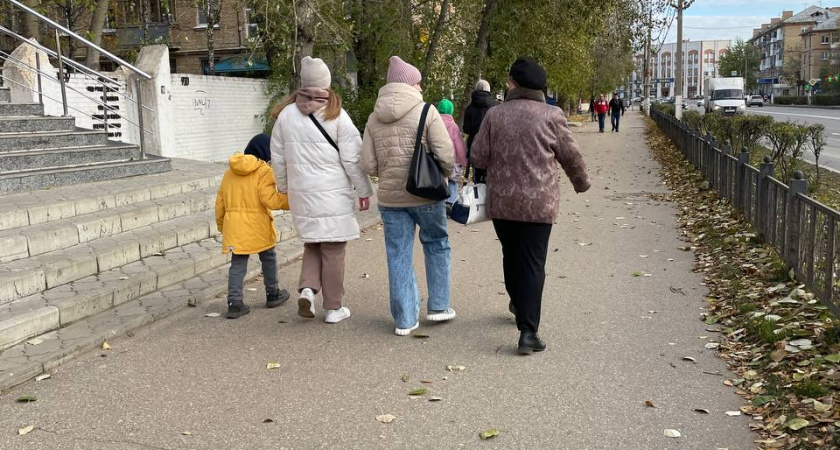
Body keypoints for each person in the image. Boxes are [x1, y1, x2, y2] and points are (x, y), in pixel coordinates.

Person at [471, 57, 590, 355]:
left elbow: (478, 157)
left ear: (512, 83)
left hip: (503, 203)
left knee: (511, 255)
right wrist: (581, 183)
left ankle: (516, 301)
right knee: (534, 262)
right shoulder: (553, 115)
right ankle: (528, 331)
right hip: (540, 204)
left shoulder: (494, 116)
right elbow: (571, 156)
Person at [270, 56, 373, 324]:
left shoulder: (285, 116)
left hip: (302, 193)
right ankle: (334, 307)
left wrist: (284, 187)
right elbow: (352, 159)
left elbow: (278, 158)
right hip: (332, 194)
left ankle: (307, 289)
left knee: (313, 244)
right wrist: (364, 190)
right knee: (334, 249)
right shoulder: (336, 113)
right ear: (326, 83)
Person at [361, 56, 456, 336]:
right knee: (437, 243)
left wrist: (386, 172)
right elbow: (446, 153)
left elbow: (367, 163)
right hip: (426, 194)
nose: (421, 88)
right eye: (419, 83)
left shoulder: (373, 117)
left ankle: (405, 319)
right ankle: (438, 306)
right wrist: (445, 174)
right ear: (411, 83)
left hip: (391, 200)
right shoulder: (427, 112)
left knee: (398, 253)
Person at [215, 134, 292, 319]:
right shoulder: (264, 171)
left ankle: (234, 303)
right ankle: (272, 294)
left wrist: (222, 226)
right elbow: (270, 200)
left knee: (238, 264)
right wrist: (291, 200)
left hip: (235, 227)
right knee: (269, 258)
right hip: (258, 226)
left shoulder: (229, 173)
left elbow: (220, 203)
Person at [463, 80, 498, 184]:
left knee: (477, 177)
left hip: (475, 145)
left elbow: (466, 129)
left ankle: (477, 196)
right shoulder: (496, 107)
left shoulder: (469, 108)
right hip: (491, 145)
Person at [436, 99, 468, 207]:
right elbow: (459, 146)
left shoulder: (434, 124)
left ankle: (440, 201)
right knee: (452, 182)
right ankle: (451, 203)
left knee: (439, 181)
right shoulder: (453, 127)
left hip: (436, 160)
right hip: (452, 161)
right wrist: (465, 162)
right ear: (451, 111)